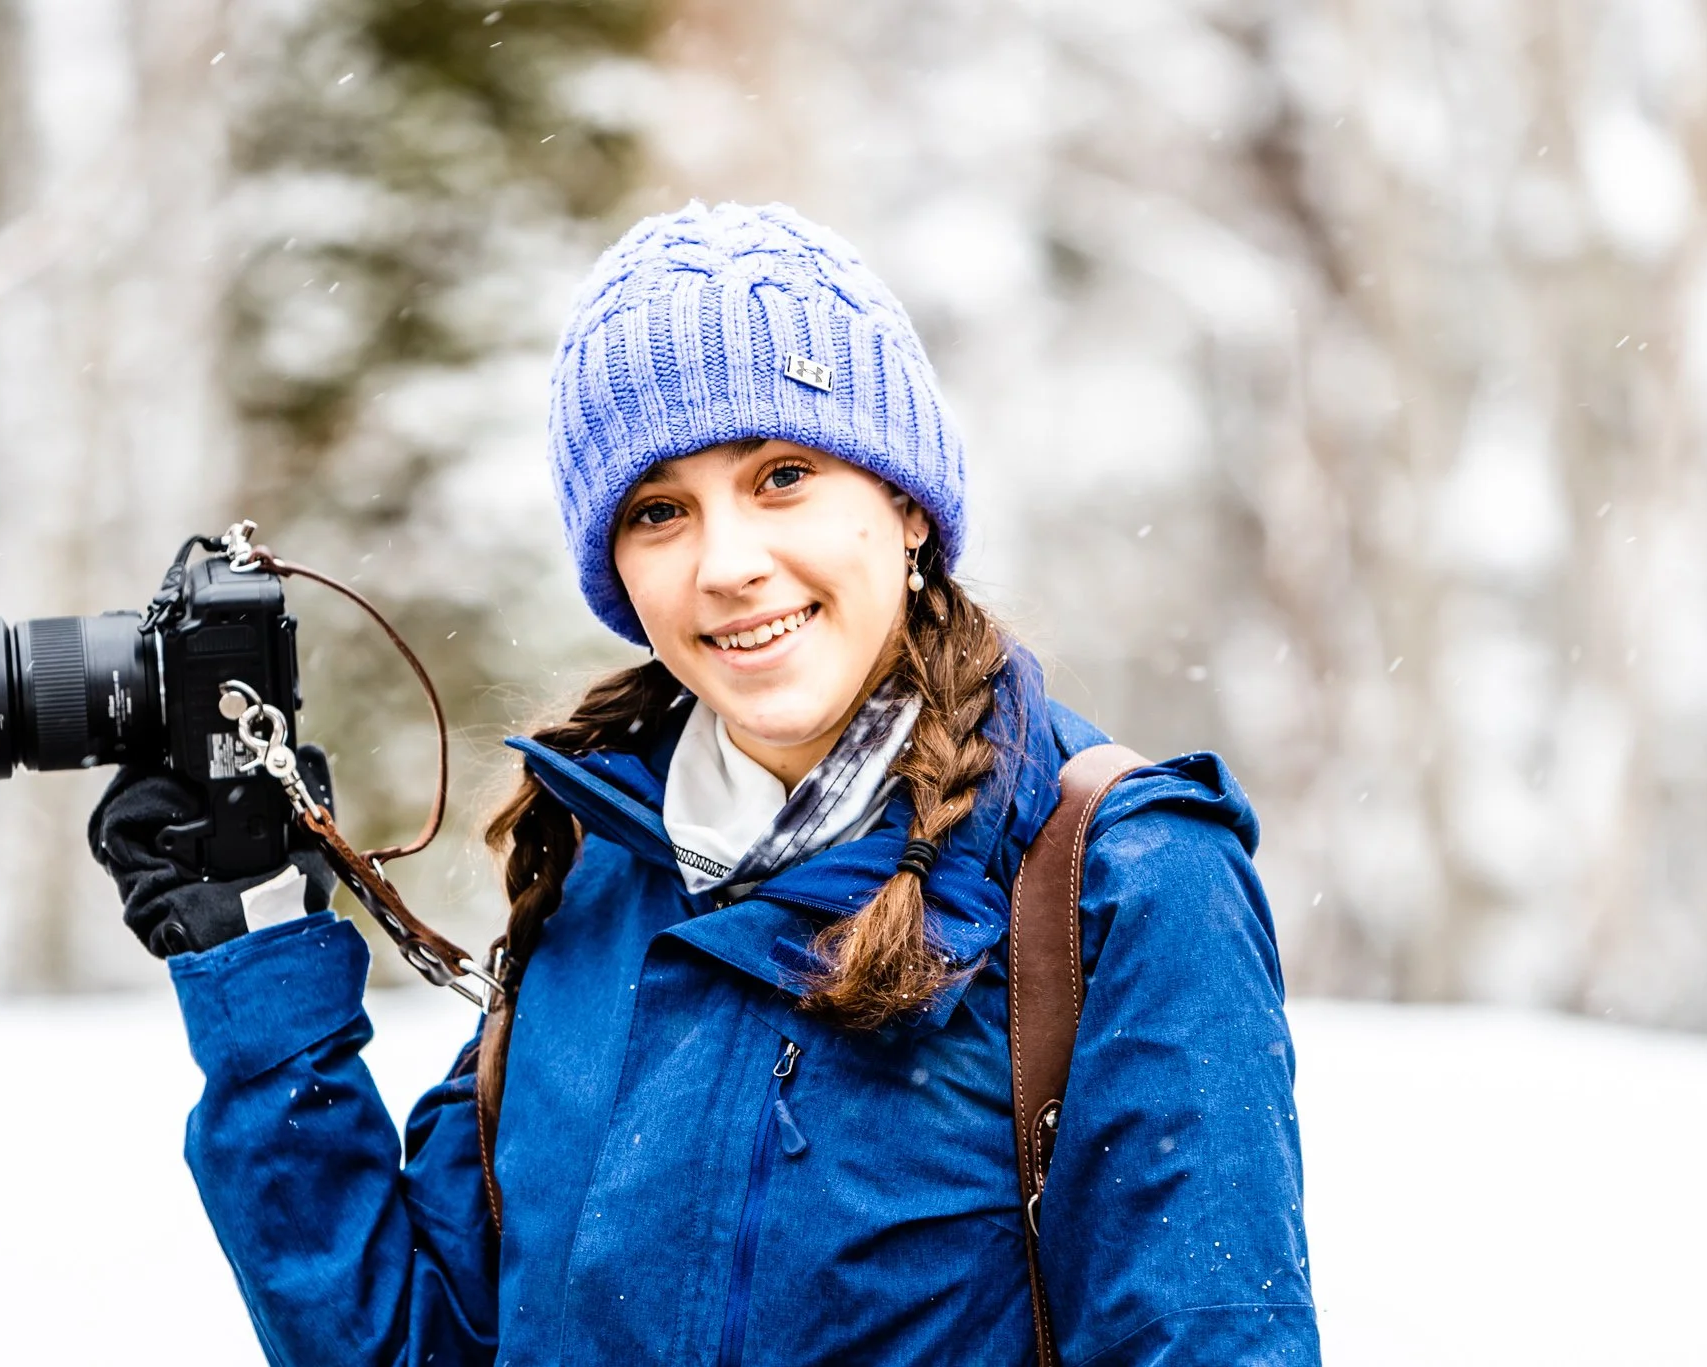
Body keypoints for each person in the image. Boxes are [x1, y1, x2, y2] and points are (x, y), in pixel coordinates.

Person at [90, 201, 1319, 1365]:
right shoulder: (594, 871)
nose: (726, 564)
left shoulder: (1118, 881)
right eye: (658, 510)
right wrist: (258, 956)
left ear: (903, 504)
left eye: (782, 475)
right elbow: (424, 1344)